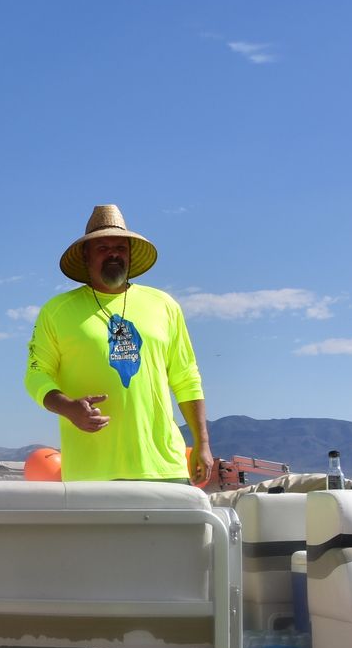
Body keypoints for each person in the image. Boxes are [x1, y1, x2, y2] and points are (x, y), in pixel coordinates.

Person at [23, 205, 213, 483]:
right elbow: (36, 374)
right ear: (86, 256)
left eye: (120, 248)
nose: (113, 253)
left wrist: (202, 443)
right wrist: (68, 407)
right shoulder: (57, 311)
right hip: (90, 473)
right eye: (102, 247)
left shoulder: (164, 305)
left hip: (162, 467)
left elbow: (186, 377)